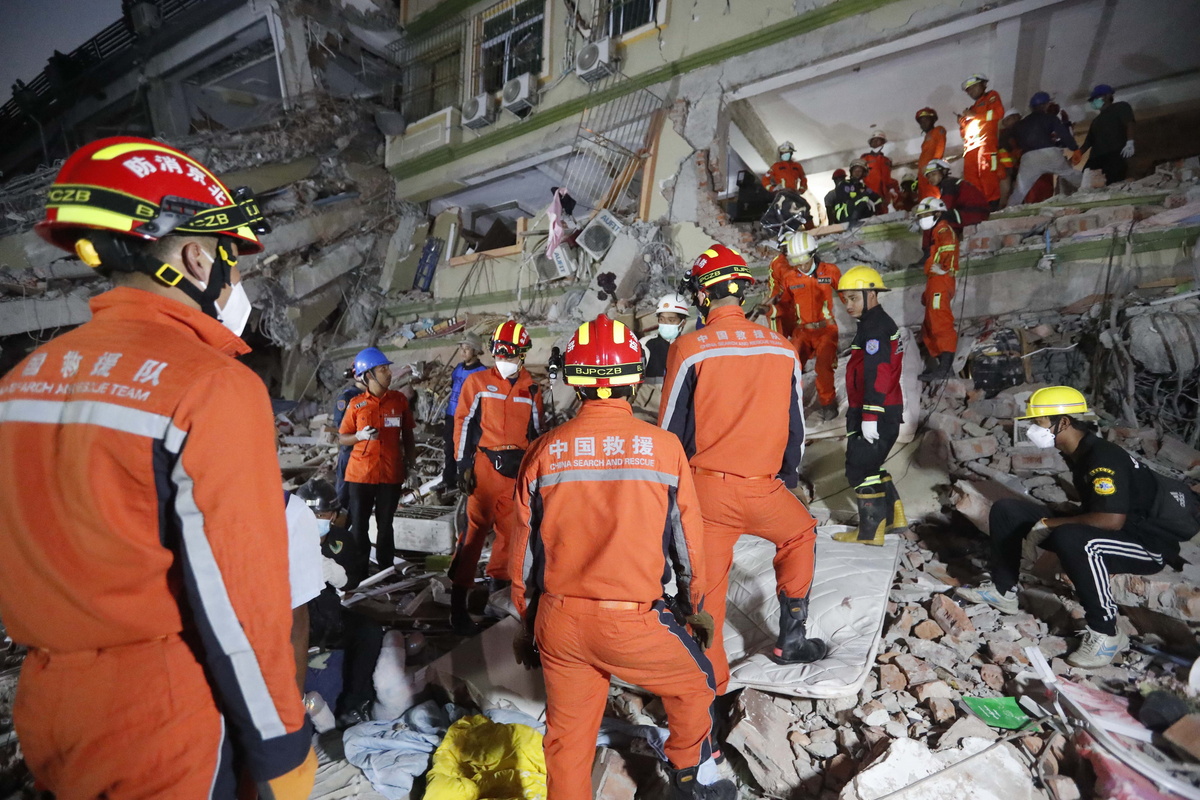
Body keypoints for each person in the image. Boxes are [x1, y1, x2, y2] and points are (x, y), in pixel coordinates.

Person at [0, 136, 315, 798]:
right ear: (198, 258)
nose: (237, 283)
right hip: (164, 718)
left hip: (49, 706)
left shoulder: (22, 381)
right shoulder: (209, 386)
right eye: (233, 264)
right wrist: (282, 747)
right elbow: (240, 603)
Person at [510, 314, 735, 800]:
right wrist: (693, 607)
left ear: (574, 381)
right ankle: (689, 780)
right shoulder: (665, 449)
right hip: (631, 624)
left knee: (567, 740)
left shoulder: (544, 451)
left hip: (560, 622)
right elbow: (688, 546)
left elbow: (523, 554)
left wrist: (528, 624)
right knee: (698, 683)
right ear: (635, 378)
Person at [661, 244, 826, 694]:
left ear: (702, 296)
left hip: (707, 494)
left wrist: (670, 497)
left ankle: (709, 689)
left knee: (706, 590)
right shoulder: (783, 348)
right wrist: (785, 480)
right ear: (743, 291)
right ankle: (792, 640)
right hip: (765, 488)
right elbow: (796, 427)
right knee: (800, 534)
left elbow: (670, 431)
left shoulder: (688, 349)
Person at [957, 387, 1193, 668]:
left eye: (1040, 421)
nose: (1033, 428)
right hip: (1116, 530)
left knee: (1073, 538)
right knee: (1008, 511)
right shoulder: (1078, 451)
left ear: (1064, 422)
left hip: (1147, 545)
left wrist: (1049, 523)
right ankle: (1002, 590)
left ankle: (1106, 632)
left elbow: (1111, 520)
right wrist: (1052, 520)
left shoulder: (1101, 458)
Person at [450, 320, 544, 633]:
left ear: (523, 354)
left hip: (516, 470)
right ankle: (458, 604)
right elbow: (463, 422)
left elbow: (537, 433)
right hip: (484, 467)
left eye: (510, 353)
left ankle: (497, 597)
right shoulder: (477, 382)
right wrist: (462, 464)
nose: (503, 359)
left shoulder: (531, 388)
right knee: (473, 533)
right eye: (499, 353)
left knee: (511, 534)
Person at [296, 478, 385, 727]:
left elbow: (352, 581)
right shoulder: (284, 539)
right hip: (297, 615)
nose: (315, 520)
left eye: (321, 515)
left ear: (333, 515)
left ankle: (353, 705)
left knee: (369, 632)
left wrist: (339, 575)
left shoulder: (341, 540)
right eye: (309, 515)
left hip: (329, 615)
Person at [836, 266, 906, 545]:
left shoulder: (876, 328)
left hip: (876, 410)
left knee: (859, 469)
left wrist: (870, 415)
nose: (848, 305)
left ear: (872, 295)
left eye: (854, 298)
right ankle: (894, 517)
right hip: (880, 408)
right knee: (871, 465)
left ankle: (870, 532)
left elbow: (879, 373)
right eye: (846, 299)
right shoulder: (873, 323)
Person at [338, 347, 417, 582]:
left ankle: (386, 570)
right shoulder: (356, 404)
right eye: (383, 369)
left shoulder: (399, 401)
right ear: (369, 375)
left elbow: (408, 435)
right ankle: (358, 574)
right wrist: (359, 436)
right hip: (360, 475)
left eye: (387, 369)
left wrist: (412, 466)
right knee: (359, 526)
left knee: (386, 525)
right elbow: (342, 437)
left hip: (390, 473)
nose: (389, 373)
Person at [778, 231, 841, 422]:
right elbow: (785, 306)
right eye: (795, 261)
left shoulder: (830, 272)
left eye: (804, 260)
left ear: (813, 253)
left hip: (826, 329)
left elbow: (846, 294)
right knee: (790, 366)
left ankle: (828, 404)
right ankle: (789, 406)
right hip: (803, 331)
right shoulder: (790, 278)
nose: (801, 266)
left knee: (823, 367)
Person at [1006, 92, 1083, 207]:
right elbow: (1064, 134)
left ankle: (1008, 211)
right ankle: (1095, 189)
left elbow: (1014, 141)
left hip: (1029, 158)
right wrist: (1075, 149)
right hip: (1049, 153)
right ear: (1046, 105)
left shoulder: (1020, 124)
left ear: (1031, 107)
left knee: (1019, 191)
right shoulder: (1050, 118)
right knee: (1071, 175)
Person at [914, 197, 960, 382]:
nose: (922, 218)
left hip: (941, 280)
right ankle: (944, 367)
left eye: (925, 214)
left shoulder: (943, 229)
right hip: (935, 280)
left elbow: (950, 249)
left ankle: (945, 369)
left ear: (938, 213)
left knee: (940, 322)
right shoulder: (936, 232)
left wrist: (946, 269)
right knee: (930, 325)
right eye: (921, 216)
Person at [441, 332, 487, 491]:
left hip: (469, 417)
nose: (463, 352)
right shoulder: (458, 369)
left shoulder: (481, 372)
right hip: (452, 414)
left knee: (466, 449)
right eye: (461, 348)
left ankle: (466, 480)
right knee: (449, 447)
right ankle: (448, 480)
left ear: (475, 350)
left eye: (467, 348)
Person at [635, 293, 691, 421]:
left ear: (683, 323)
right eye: (662, 319)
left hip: (676, 415)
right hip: (646, 413)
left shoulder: (689, 347)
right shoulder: (646, 344)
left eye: (671, 320)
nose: (665, 324)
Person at [958, 73, 1005, 206]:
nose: (971, 91)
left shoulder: (991, 96)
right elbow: (965, 134)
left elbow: (998, 113)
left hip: (985, 145)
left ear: (984, 84)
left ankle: (992, 206)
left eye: (974, 87)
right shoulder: (972, 109)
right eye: (968, 90)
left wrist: (975, 115)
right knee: (971, 181)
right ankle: (978, 205)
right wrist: (962, 124)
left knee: (987, 175)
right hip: (970, 149)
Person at [1081, 84, 1136, 185]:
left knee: (1112, 184)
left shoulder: (1120, 107)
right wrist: (1074, 158)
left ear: (1107, 96)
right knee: (1086, 184)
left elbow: (1129, 123)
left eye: (1096, 98)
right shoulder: (1096, 121)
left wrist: (1130, 142)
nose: (1094, 101)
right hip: (1095, 158)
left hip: (1114, 155)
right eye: (1093, 100)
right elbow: (1087, 143)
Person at [923, 159, 990, 236]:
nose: (931, 178)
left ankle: (947, 240)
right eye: (928, 176)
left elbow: (946, 206)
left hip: (975, 214)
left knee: (938, 217)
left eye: (934, 174)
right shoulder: (950, 183)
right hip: (976, 213)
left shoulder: (948, 184)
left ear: (944, 172)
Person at [333, 366, 368, 510]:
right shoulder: (347, 397)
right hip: (351, 453)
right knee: (344, 496)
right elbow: (342, 429)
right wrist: (359, 435)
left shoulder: (374, 396)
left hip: (369, 454)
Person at [861, 132, 899, 212]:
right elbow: (860, 175)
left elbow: (888, 177)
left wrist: (891, 189)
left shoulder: (886, 160)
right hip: (870, 192)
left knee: (885, 212)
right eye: (874, 140)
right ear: (870, 143)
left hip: (884, 194)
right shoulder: (865, 158)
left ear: (883, 142)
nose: (876, 142)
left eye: (878, 140)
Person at [915, 107, 947, 199]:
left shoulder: (938, 130)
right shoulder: (926, 138)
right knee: (923, 197)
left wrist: (932, 166)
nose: (923, 123)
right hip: (923, 173)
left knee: (933, 195)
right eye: (921, 122)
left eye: (926, 120)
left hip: (931, 171)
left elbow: (940, 147)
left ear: (933, 119)